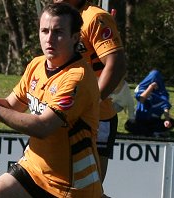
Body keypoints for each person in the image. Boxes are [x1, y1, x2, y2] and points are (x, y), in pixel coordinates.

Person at [0, 3, 102, 198]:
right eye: (44, 31)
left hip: (70, 187)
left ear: (74, 37)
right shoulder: (36, 65)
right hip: (32, 169)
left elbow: (42, 127)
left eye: (58, 32)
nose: (49, 39)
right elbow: (10, 106)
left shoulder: (77, 78)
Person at [53, 1, 127, 196]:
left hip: (94, 120)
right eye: (44, 31)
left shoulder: (94, 17)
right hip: (61, 117)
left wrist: (90, 104)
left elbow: (116, 64)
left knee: (85, 192)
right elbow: (12, 103)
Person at [125, 69, 174, 136]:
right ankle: (154, 133)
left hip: (154, 120)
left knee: (172, 122)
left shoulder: (163, 93)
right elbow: (141, 99)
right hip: (141, 119)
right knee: (129, 124)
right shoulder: (143, 89)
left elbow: (165, 108)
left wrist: (167, 120)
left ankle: (147, 132)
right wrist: (150, 87)